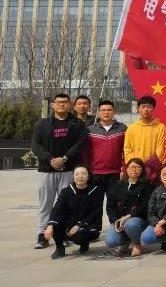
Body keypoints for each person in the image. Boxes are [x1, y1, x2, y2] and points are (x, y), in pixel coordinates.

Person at [31, 93, 87, 249]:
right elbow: (35, 145)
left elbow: (80, 144)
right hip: (46, 171)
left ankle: (63, 234)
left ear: (70, 105)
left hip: (67, 170)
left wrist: (64, 158)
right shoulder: (42, 124)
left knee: (67, 204)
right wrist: (50, 159)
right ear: (53, 105)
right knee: (45, 205)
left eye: (65, 102)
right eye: (59, 102)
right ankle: (42, 235)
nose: (62, 104)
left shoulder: (77, 124)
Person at [43, 165, 104, 259]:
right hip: (70, 224)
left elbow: (95, 213)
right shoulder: (66, 191)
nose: (80, 176)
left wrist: (78, 225)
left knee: (81, 236)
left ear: (88, 176)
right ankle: (59, 248)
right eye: (77, 174)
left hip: (88, 225)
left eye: (83, 173)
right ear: (73, 176)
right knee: (55, 224)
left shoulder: (96, 191)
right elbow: (57, 209)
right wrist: (50, 225)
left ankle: (84, 243)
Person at [104, 158, 151, 257]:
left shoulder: (147, 185)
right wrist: (115, 221)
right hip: (119, 219)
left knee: (130, 224)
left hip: (137, 219)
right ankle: (126, 241)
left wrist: (129, 216)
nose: (134, 169)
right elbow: (110, 207)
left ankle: (136, 244)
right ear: (126, 169)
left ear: (142, 170)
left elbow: (144, 206)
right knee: (110, 241)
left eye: (138, 167)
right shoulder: (117, 185)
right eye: (132, 167)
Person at [84, 99, 127, 193]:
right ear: (98, 112)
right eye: (103, 110)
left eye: (109, 110)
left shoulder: (123, 129)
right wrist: (87, 169)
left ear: (114, 112)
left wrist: (124, 169)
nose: (106, 112)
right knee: (95, 201)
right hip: (95, 172)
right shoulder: (90, 130)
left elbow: (126, 150)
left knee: (114, 201)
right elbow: (86, 153)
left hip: (116, 173)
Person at [124, 95, 166, 183]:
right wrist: (135, 164)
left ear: (153, 108)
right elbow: (127, 149)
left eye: (149, 107)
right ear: (138, 109)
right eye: (143, 107)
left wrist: (149, 166)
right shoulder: (131, 128)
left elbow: (160, 149)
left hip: (153, 169)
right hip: (135, 169)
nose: (146, 109)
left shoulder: (160, 127)